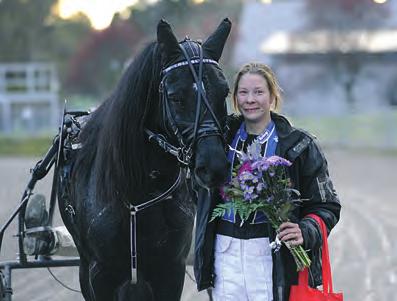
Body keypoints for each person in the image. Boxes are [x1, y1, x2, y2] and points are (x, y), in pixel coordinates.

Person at [193, 62, 341, 301]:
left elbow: (327, 206)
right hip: (224, 254)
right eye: (243, 92)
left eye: (258, 92)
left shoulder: (299, 146)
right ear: (235, 98)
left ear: (273, 96)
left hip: (272, 256)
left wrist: (305, 230)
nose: (250, 99)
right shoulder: (217, 141)